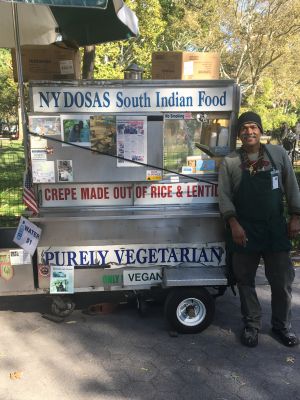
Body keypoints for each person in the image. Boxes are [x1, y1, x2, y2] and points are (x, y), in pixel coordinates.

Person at [218, 111, 300, 348]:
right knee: (245, 281)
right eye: (245, 128)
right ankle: (252, 325)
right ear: (239, 134)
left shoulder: (278, 154)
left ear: (261, 131)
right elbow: (224, 197)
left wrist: (296, 216)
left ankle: (282, 326)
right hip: (244, 230)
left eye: (254, 127)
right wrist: (233, 224)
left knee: (281, 281)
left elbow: (292, 186)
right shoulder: (231, 162)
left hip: (276, 228)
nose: (249, 131)